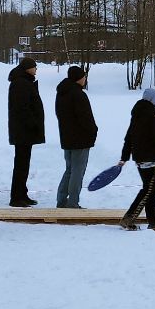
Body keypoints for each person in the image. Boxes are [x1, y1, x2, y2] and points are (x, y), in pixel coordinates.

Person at [119, 88, 155, 232]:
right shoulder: (154, 117)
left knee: (151, 188)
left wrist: (124, 157)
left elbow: (129, 137)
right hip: (151, 158)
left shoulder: (137, 114)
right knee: (149, 189)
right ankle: (128, 219)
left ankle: (154, 221)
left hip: (140, 158)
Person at [54, 65, 98, 208]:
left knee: (70, 170)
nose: (85, 79)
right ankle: (73, 203)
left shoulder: (61, 93)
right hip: (80, 139)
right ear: (79, 78)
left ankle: (61, 200)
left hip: (67, 137)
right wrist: (93, 131)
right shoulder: (78, 95)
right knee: (77, 172)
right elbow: (85, 118)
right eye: (84, 76)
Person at [6, 58, 46, 207]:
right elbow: (22, 108)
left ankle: (22, 193)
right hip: (23, 131)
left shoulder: (24, 81)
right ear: (27, 68)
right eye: (34, 67)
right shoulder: (21, 83)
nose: (36, 69)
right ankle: (17, 197)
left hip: (24, 131)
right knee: (21, 164)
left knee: (23, 163)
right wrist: (33, 124)